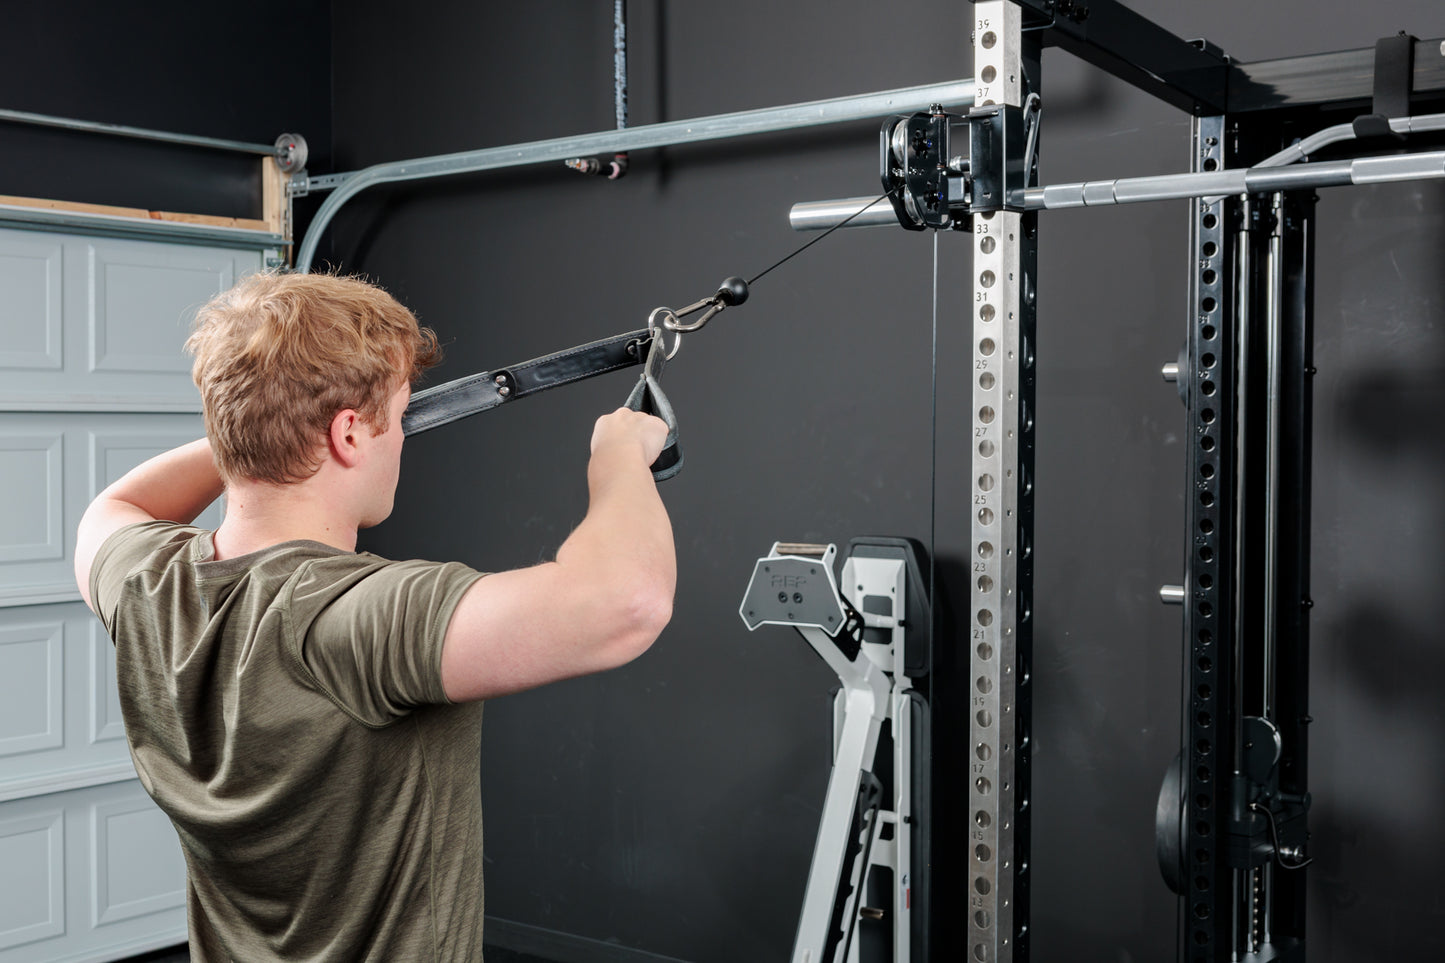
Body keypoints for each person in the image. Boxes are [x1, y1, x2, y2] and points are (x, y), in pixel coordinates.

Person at [73, 271, 675, 962]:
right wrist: (619, 457)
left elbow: (115, 506)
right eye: (402, 413)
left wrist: (262, 424)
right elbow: (626, 602)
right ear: (350, 433)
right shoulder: (354, 616)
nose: (404, 437)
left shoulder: (148, 585)